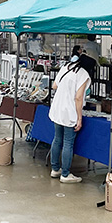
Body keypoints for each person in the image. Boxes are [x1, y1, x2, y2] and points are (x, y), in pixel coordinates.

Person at [48, 54, 91, 184]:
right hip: (70, 111)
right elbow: (78, 97)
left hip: (57, 108)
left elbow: (54, 86)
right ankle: (65, 174)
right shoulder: (83, 74)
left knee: (57, 139)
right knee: (68, 142)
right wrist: (79, 118)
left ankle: (55, 169)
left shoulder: (66, 67)